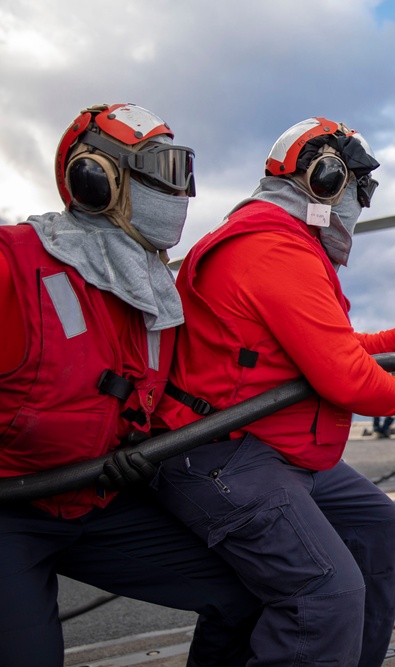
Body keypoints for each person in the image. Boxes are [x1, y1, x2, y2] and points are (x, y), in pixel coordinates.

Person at [151, 116, 395, 667]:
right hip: (223, 453)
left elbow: (327, 342)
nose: (357, 210)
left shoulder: (282, 242)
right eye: (358, 193)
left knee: (376, 526)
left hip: (264, 448)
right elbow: (344, 375)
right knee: (326, 594)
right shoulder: (274, 249)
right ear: (324, 180)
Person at [0, 103, 259, 666]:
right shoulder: (14, 263)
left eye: (180, 172)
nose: (178, 193)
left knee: (247, 593)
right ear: (93, 178)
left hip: (99, 503)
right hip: (12, 509)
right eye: (158, 171)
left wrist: (143, 448)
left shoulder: (154, 292)